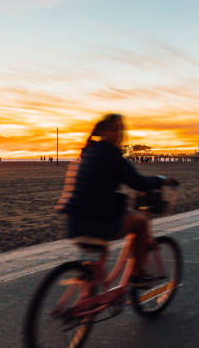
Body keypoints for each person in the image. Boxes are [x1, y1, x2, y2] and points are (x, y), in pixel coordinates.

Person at [56, 114, 178, 286]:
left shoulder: (87, 151)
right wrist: (161, 180)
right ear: (105, 132)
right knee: (141, 222)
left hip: (73, 221)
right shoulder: (112, 155)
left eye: (120, 130)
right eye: (116, 130)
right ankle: (137, 274)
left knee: (99, 253)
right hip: (97, 221)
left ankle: (89, 285)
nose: (119, 134)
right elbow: (139, 182)